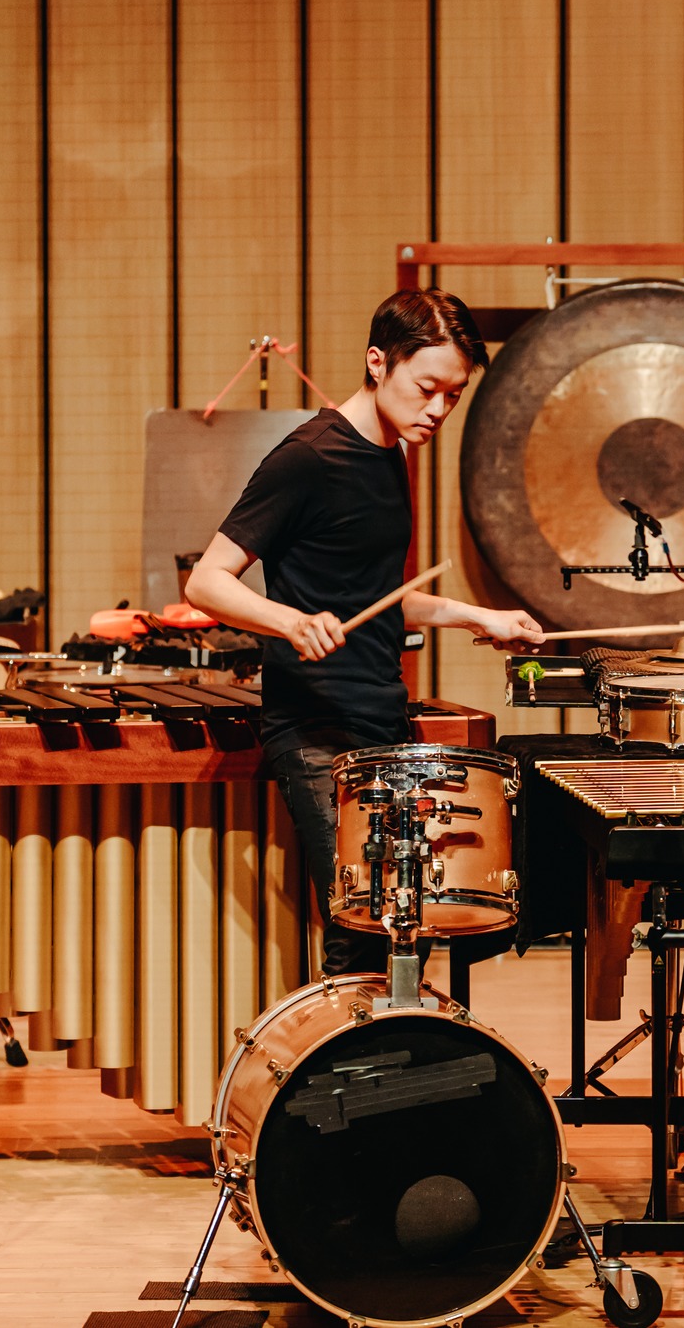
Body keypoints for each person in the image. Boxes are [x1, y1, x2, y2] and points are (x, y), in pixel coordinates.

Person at [187, 289, 543, 977]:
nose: (439, 410)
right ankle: (340, 1049)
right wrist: (290, 621)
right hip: (316, 729)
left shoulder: (391, 454)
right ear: (378, 362)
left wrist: (479, 616)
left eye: (453, 395)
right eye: (427, 388)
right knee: (363, 929)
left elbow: (376, 602)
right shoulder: (308, 458)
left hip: (381, 720)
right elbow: (206, 581)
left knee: (406, 930)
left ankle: (390, 1047)